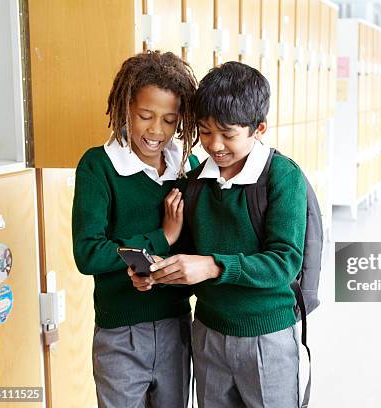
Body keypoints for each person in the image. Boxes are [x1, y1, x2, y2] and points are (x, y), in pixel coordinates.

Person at [130, 61, 308, 408]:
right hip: (208, 334)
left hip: (266, 335)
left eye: (228, 133)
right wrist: (157, 275)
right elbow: (188, 255)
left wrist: (213, 266)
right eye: (205, 131)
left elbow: (284, 262)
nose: (215, 145)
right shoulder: (197, 183)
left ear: (259, 128)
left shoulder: (282, 176)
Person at [72, 50, 198, 408]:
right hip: (120, 333)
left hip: (176, 325)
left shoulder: (185, 167)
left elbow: (196, 246)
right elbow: (89, 252)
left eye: (170, 120)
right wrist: (163, 237)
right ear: (126, 107)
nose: (157, 131)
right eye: (145, 116)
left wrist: (156, 273)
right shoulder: (99, 166)